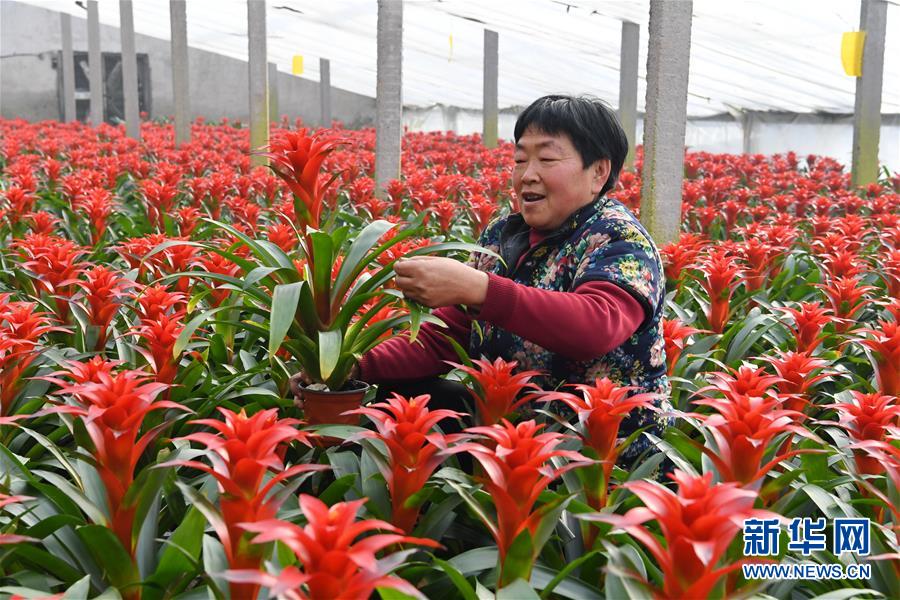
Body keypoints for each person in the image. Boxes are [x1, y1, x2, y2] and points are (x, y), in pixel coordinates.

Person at [296, 95, 671, 463]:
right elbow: (448, 336)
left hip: (603, 453)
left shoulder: (620, 239)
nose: (528, 174)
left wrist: (478, 288)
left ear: (599, 173)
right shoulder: (503, 235)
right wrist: (349, 366)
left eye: (547, 158)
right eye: (520, 159)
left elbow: (597, 325)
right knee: (397, 398)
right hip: (511, 433)